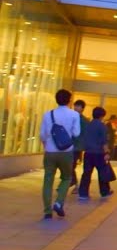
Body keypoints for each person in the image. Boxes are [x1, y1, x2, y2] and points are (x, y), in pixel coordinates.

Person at [39, 89, 81, 220]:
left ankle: (47, 211)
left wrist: (46, 144)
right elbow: (76, 133)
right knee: (67, 178)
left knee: (48, 180)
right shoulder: (74, 115)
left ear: (56, 99)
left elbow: (43, 134)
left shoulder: (48, 114)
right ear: (69, 100)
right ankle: (58, 202)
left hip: (50, 151)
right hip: (66, 152)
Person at [78, 107, 113, 199]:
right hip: (99, 153)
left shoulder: (88, 125)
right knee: (102, 172)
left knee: (86, 173)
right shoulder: (102, 126)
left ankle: (83, 193)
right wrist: (107, 153)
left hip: (88, 153)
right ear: (102, 116)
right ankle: (104, 191)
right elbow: (104, 141)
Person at [72, 99, 89, 183]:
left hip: (77, 146)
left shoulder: (84, 120)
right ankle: (73, 181)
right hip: (69, 145)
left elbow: (85, 134)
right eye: (75, 106)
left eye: (78, 106)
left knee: (71, 165)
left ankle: (72, 181)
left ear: (82, 108)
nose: (76, 107)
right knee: (69, 165)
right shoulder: (71, 117)